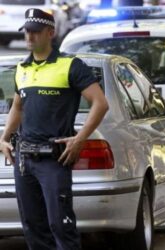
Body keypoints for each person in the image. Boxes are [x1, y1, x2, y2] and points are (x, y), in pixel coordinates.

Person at [0, 8, 109, 250]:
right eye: (27, 31)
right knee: (32, 227)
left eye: (36, 32)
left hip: (53, 160)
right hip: (24, 160)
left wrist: (80, 138)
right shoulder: (22, 69)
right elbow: (18, 107)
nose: (30, 36)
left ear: (51, 32)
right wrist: (4, 138)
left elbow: (100, 103)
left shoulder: (70, 65)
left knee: (61, 226)